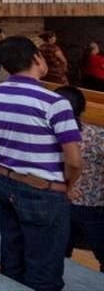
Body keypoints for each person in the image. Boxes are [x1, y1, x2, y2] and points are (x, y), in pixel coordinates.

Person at [0, 35, 82, 291]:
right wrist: (67, 186)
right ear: (37, 58)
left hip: (4, 181)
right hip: (42, 191)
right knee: (44, 268)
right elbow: (73, 161)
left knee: (12, 259)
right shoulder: (54, 102)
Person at [56, 86, 104, 272]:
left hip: (57, 197)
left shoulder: (49, 133)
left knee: (58, 249)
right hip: (92, 202)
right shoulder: (97, 135)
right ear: (83, 109)